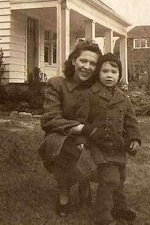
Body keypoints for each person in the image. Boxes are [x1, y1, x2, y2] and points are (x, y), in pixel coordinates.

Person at [39, 39, 102, 216]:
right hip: (60, 135)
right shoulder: (56, 84)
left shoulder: (96, 88)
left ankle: (84, 184)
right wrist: (80, 129)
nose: (87, 67)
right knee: (62, 146)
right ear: (74, 60)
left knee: (89, 148)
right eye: (83, 60)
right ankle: (64, 192)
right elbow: (50, 119)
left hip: (89, 137)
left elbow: (101, 118)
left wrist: (86, 134)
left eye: (92, 63)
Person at [81, 52, 141, 225]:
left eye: (113, 72)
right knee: (109, 180)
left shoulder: (123, 98)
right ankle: (102, 215)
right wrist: (89, 134)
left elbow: (131, 121)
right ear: (98, 73)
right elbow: (82, 119)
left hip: (118, 146)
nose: (109, 75)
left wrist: (135, 139)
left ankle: (120, 207)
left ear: (119, 76)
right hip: (99, 145)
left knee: (120, 179)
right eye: (105, 71)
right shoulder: (91, 95)